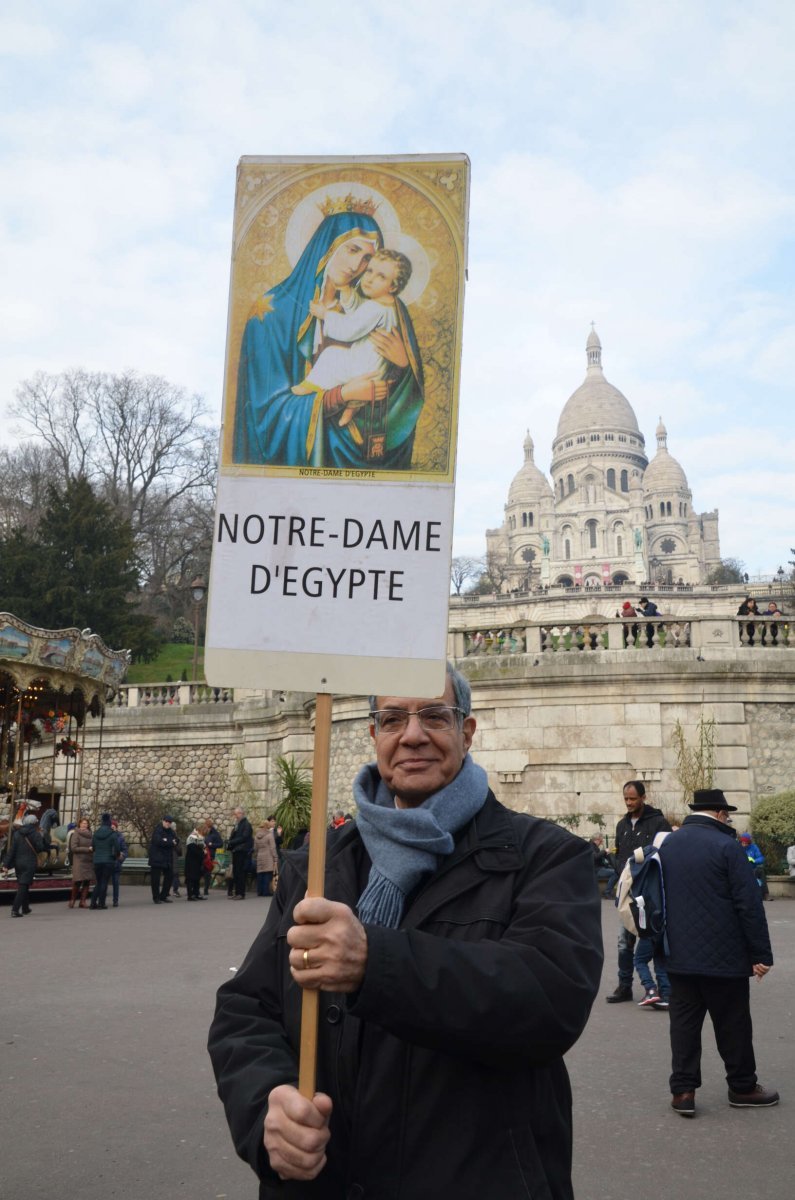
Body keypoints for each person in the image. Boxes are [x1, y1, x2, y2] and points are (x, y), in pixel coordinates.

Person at [208, 664, 603, 1199]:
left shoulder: (545, 856)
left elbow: (551, 1001)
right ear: (374, 736)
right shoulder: (317, 865)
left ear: (467, 732)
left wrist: (375, 962)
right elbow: (246, 1008)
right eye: (392, 718)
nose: (412, 735)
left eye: (434, 716)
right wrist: (265, 1108)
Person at [233, 203, 424, 470]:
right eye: (352, 249)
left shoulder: (383, 305)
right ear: (327, 246)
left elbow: (405, 396)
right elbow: (262, 416)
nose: (358, 266)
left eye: (368, 258)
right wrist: (341, 395)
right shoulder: (272, 314)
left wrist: (403, 367)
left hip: (359, 457)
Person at [658, 788, 778, 1117]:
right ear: (719, 813)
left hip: (679, 954)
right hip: (724, 956)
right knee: (733, 1024)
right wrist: (761, 955)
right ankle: (742, 1087)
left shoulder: (669, 844)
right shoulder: (727, 846)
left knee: (683, 1024)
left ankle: (683, 1091)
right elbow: (748, 905)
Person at [304, 248, 413, 432]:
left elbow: (349, 329)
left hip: (363, 368)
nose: (369, 278)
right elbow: (360, 312)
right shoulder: (387, 305)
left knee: (330, 355)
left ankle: (309, 387)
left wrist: (325, 315)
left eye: (381, 276)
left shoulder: (374, 308)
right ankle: (351, 409)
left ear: (393, 286)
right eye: (369, 271)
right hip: (376, 370)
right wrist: (347, 292)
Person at [605, 780, 671, 1003]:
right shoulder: (622, 825)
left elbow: (665, 855)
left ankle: (661, 988)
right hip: (627, 894)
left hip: (650, 894)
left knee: (654, 942)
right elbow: (620, 854)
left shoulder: (658, 822)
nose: (629, 802)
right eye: (626, 799)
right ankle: (625, 986)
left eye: (633, 798)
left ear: (643, 797)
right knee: (624, 942)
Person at [1, 812, 44, 917]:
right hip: (29, 863)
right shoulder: (36, 833)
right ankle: (15, 910)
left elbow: (12, 850)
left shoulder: (17, 833)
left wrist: (5, 864)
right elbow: (40, 848)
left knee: (24, 884)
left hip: (18, 863)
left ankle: (25, 908)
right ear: (34, 823)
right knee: (23, 886)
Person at [90, 813, 120, 910]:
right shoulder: (112, 833)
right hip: (108, 861)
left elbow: (93, 847)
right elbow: (117, 847)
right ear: (109, 821)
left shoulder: (96, 833)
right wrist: (116, 857)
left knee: (98, 882)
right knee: (104, 882)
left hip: (97, 860)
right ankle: (101, 904)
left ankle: (93, 903)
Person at [149, 815, 178, 904]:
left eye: (169, 822)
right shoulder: (158, 830)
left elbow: (176, 840)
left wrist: (167, 842)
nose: (168, 824)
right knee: (155, 879)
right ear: (163, 821)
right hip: (156, 858)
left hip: (167, 858)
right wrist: (169, 842)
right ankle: (156, 897)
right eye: (166, 822)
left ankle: (164, 895)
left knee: (169, 876)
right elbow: (158, 841)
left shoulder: (171, 831)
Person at [68, 817, 95, 909]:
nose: (84, 825)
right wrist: (87, 849)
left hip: (88, 860)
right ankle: (72, 900)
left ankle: (83, 902)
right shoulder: (76, 834)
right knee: (77, 881)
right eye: (83, 823)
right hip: (79, 860)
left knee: (87, 882)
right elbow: (73, 848)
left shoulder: (90, 834)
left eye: (86, 823)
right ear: (79, 824)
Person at [227, 807, 254, 900]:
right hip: (236, 851)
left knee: (241, 872)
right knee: (236, 872)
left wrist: (232, 842)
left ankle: (241, 893)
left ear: (241, 814)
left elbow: (244, 837)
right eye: (235, 814)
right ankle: (237, 892)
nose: (235, 816)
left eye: (237, 814)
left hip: (242, 851)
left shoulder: (246, 825)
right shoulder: (238, 825)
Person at [738, 832, 770, 899]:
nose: (744, 844)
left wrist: (754, 860)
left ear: (749, 842)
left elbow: (761, 858)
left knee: (760, 872)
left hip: (753, 868)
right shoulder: (737, 847)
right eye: (743, 842)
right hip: (741, 868)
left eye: (746, 843)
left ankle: (765, 894)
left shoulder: (754, 847)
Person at [254, 818, 278, 897]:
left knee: (260, 874)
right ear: (267, 826)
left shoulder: (257, 835)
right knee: (267, 874)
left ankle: (259, 891)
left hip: (260, 855)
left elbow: (255, 848)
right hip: (268, 856)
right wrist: (275, 858)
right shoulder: (269, 835)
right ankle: (266, 892)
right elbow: (272, 847)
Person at [109, 819, 128, 907]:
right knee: (103, 882)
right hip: (107, 862)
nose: (112, 828)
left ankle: (115, 900)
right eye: (110, 827)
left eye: (113, 827)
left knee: (116, 882)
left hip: (116, 863)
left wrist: (121, 858)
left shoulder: (120, 837)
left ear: (116, 828)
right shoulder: (106, 836)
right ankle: (100, 899)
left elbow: (124, 850)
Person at [184, 829, 207, 901]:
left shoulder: (198, 840)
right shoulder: (191, 839)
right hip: (191, 863)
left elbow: (201, 847)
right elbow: (195, 851)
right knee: (191, 879)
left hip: (197, 863)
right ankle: (190, 895)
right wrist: (203, 853)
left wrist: (203, 851)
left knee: (197, 879)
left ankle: (196, 894)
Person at [202, 819, 223, 895]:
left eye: (206, 827)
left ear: (209, 827)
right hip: (202, 855)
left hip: (210, 855)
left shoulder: (215, 834)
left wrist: (212, 845)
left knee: (207, 872)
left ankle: (206, 889)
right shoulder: (205, 832)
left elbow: (221, 844)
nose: (205, 828)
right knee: (202, 871)